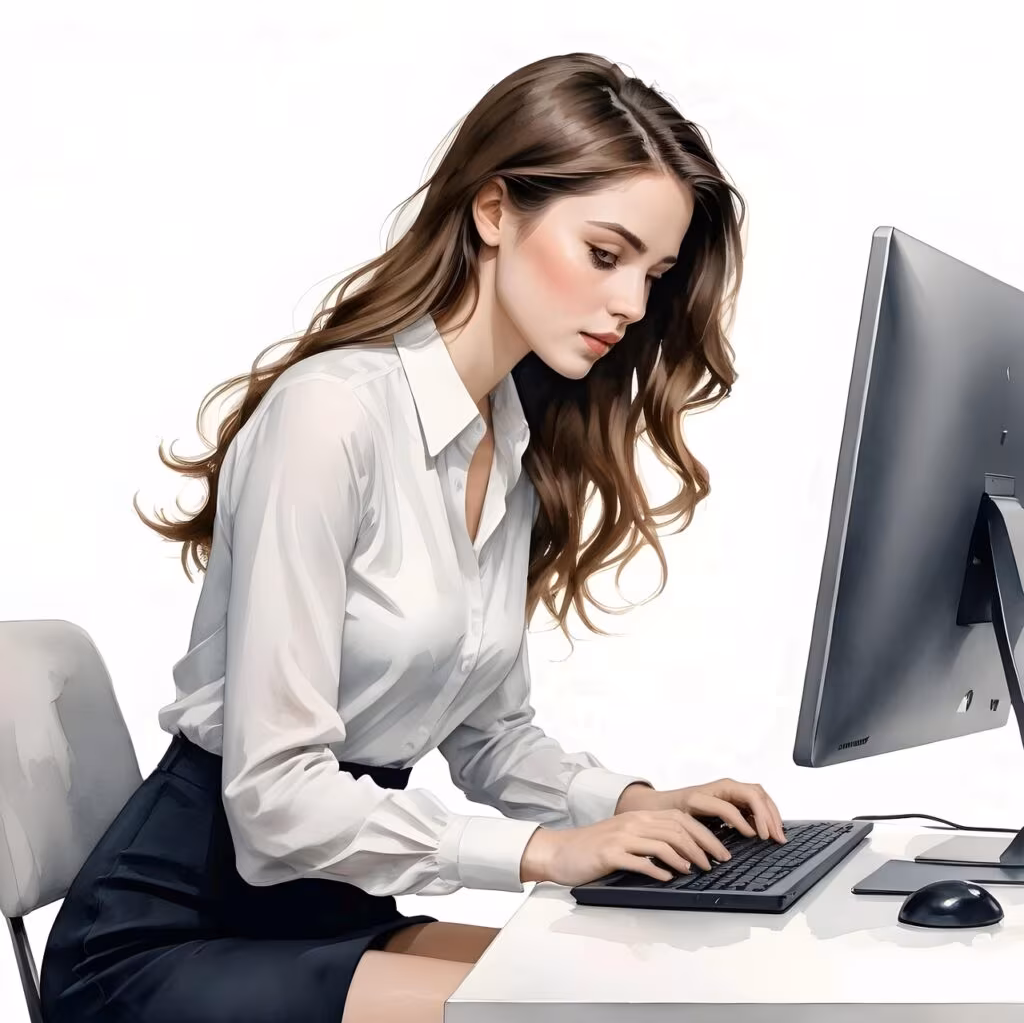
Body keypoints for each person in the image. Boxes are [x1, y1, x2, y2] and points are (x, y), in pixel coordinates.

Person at [38, 51, 785, 1023]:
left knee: (662, 994)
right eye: (606, 255)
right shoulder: (333, 416)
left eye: (655, 274)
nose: (633, 306)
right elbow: (273, 800)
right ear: (493, 212)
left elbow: (489, 736)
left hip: (325, 909)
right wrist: (544, 853)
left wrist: (630, 803)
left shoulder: (508, 440)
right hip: (162, 938)